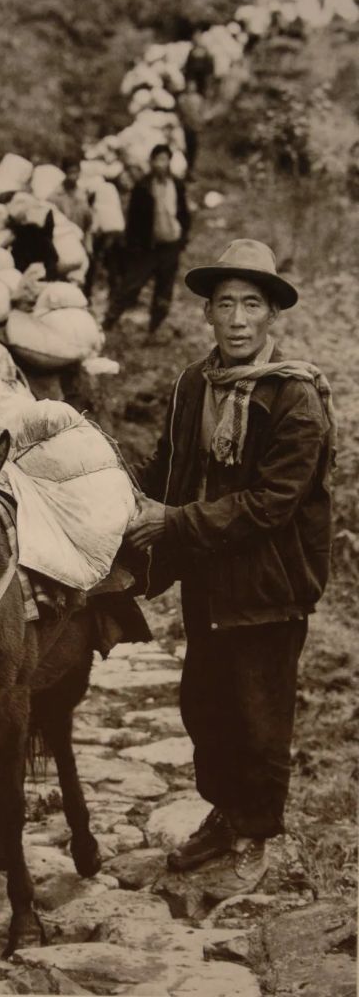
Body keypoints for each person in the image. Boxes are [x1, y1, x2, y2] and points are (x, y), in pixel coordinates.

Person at [124, 240, 334, 896]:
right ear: (207, 315)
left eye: (251, 304)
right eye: (224, 305)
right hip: (208, 580)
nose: (238, 319)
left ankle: (255, 835)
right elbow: (172, 469)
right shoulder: (194, 384)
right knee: (204, 707)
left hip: (270, 585)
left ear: (272, 314)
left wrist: (174, 522)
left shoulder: (295, 397)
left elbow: (272, 505)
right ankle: (223, 813)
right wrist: (126, 502)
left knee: (259, 717)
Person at [104, 144, 190, 334]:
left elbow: (183, 213)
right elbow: (133, 219)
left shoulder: (176, 185)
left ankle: (154, 330)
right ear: (151, 162)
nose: (161, 164)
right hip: (147, 248)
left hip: (170, 246)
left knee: (164, 292)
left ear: (169, 162)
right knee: (131, 286)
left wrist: (182, 239)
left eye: (165, 160)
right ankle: (108, 322)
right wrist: (134, 246)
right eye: (157, 159)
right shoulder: (143, 186)